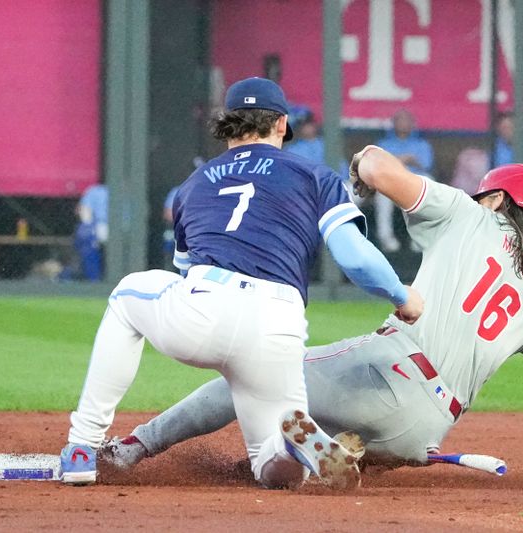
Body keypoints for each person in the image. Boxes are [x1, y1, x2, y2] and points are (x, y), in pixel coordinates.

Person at [100, 156, 523, 485]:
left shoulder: (470, 216)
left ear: (497, 199)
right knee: (304, 428)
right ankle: (326, 455)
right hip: (427, 429)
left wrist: (360, 170)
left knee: (246, 373)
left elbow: (380, 166)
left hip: (389, 368)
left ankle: (130, 448)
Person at [58, 77, 424, 490]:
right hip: (278, 324)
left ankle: (82, 446)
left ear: (228, 124)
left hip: (203, 307)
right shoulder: (314, 175)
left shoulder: (193, 186)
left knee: (126, 297)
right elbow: (356, 259)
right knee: (272, 469)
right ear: (282, 124)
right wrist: (400, 294)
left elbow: (185, 271)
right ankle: (288, 450)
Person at [375, 109, 434, 252]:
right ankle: (386, 237)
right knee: (382, 193)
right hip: (390, 183)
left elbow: (426, 166)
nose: (403, 124)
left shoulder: (422, 144)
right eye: (400, 121)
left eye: (406, 121)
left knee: (427, 185)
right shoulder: (383, 143)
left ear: (412, 124)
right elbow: (377, 166)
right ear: (394, 124)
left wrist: (409, 161)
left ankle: (419, 238)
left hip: (414, 181)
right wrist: (401, 160)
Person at [73, 183, 108, 281]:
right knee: (87, 242)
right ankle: (93, 279)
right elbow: (85, 211)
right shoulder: (96, 191)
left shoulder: (126, 191)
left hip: (118, 228)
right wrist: (88, 228)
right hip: (99, 226)